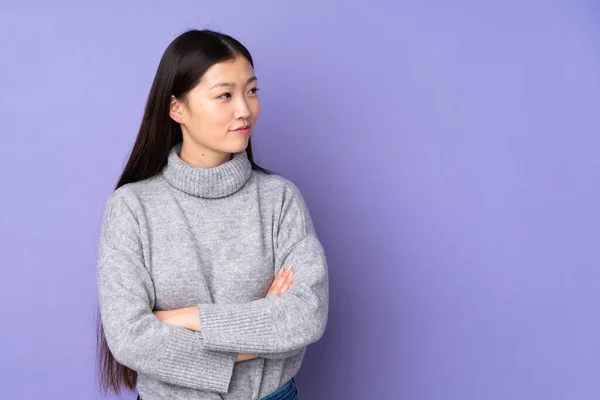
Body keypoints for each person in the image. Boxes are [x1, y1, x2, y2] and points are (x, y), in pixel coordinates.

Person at [95, 29, 329, 399]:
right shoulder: (132, 208)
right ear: (177, 109)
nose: (245, 109)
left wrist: (184, 318)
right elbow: (130, 338)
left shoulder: (279, 199)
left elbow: (305, 316)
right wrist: (258, 331)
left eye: (251, 91)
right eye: (225, 95)